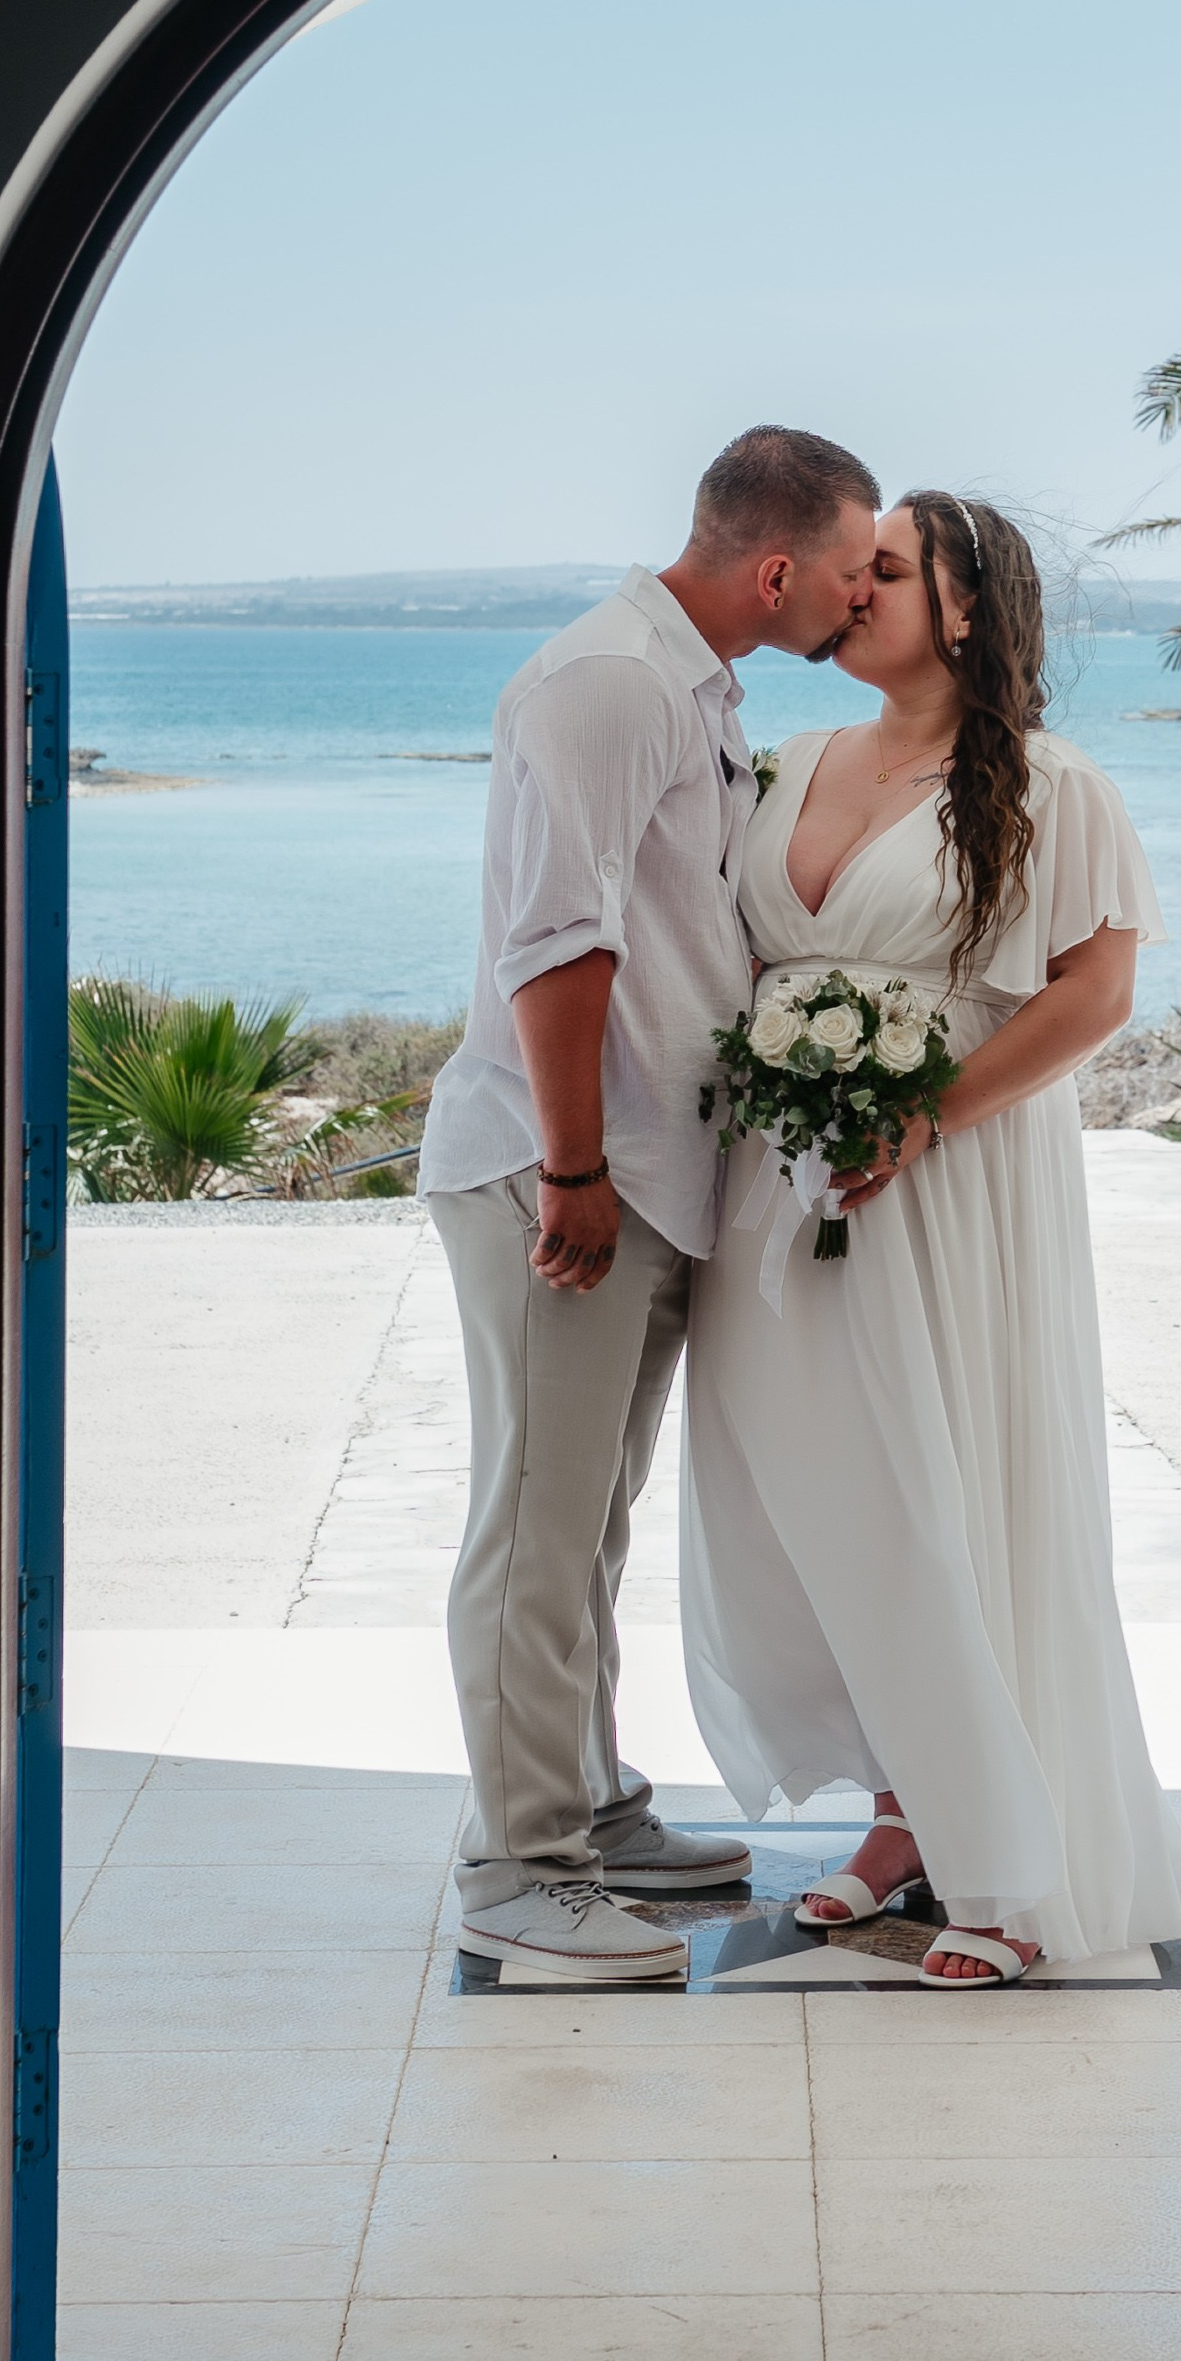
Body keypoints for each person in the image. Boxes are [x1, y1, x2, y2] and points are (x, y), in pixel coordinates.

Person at [682, 492, 1181, 1985]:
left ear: (968, 610)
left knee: (951, 1484)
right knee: (821, 1499)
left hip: (951, 1183)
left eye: (891, 572)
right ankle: (906, 1809)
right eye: (857, 570)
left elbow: (1093, 1000)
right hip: (778, 1192)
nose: (855, 591)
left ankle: (1017, 1857)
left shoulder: (1055, 785)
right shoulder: (788, 763)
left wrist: (923, 1117)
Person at [419, 426, 881, 1981]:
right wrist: (573, 1170)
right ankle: (517, 1863)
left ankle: (590, 1811)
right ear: (775, 569)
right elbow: (560, 942)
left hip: (644, 1175)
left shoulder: (697, 688)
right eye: (849, 564)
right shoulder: (610, 681)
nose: (860, 588)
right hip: (568, 1169)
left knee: (589, 1521)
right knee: (538, 1528)